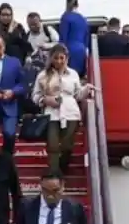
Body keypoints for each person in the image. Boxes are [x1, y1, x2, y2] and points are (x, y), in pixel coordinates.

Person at [31, 44, 94, 176]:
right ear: (51, 58)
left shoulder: (73, 74)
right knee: (53, 145)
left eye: (62, 58)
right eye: (56, 58)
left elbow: (77, 95)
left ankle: (62, 169)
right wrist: (45, 100)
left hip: (71, 113)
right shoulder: (43, 75)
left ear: (67, 58)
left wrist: (86, 89)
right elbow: (35, 95)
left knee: (67, 146)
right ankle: (54, 174)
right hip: (51, 113)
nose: (59, 61)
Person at [58, 0, 89, 78]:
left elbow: (63, 37)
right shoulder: (83, 19)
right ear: (77, 4)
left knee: (68, 77)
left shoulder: (66, 17)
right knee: (79, 77)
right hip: (82, 50)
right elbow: (86, 38)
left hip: (70, 49)